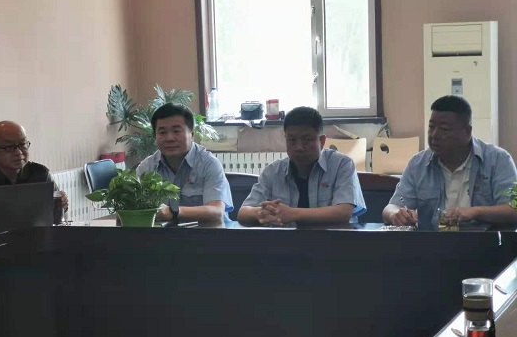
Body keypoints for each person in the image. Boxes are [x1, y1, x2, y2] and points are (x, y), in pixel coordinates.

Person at [383, 95, 517, 229]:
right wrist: (396, 214)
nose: (434, 135)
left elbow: (513, 209)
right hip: (433, 240)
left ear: (467, 132)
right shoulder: (418, 164)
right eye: (431, 127)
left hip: (484, 240)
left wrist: (475, 212)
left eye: (444, 129)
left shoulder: (497, 160)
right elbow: (390, 208)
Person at [238, 106, 366, 226]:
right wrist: (260, 213)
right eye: (292, 140)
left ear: (322, 141)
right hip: (286, 241)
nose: (299, 147)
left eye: (307, 140)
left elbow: (344, 212)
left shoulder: (342, 164)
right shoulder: (273, 171)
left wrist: (293, 214)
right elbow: (243, 213)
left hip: (332, 240)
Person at [0, 121, 68, 230]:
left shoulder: (40, 173)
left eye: (23, 145)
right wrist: (8, 219)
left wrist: (62, 205)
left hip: (36, 237)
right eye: (9, 147)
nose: (19, 152)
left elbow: (57, 216)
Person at [136, 103, 233, 224]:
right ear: (155, 137)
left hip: (209, 233)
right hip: (163, 235)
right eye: (162, 132)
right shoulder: (147, 168)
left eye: (176, 131)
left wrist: (173, 212)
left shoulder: (209, 164)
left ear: (192, 134)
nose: (169, 138)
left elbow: (216, 212)